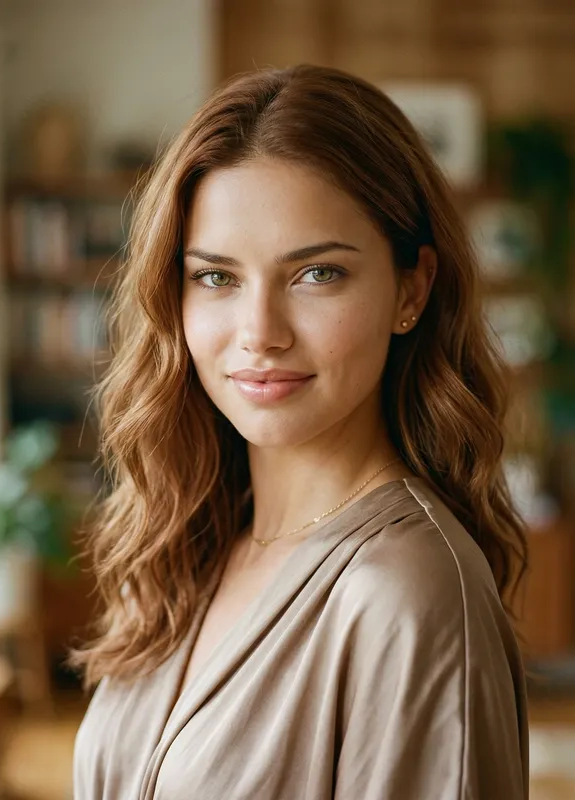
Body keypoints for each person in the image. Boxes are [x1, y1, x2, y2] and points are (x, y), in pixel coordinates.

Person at [72, 64, 529, 799]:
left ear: (411, 288)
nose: (259, 334)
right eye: (217, 277)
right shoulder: (195, 541)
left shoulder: (408, 596)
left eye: (316, 274)